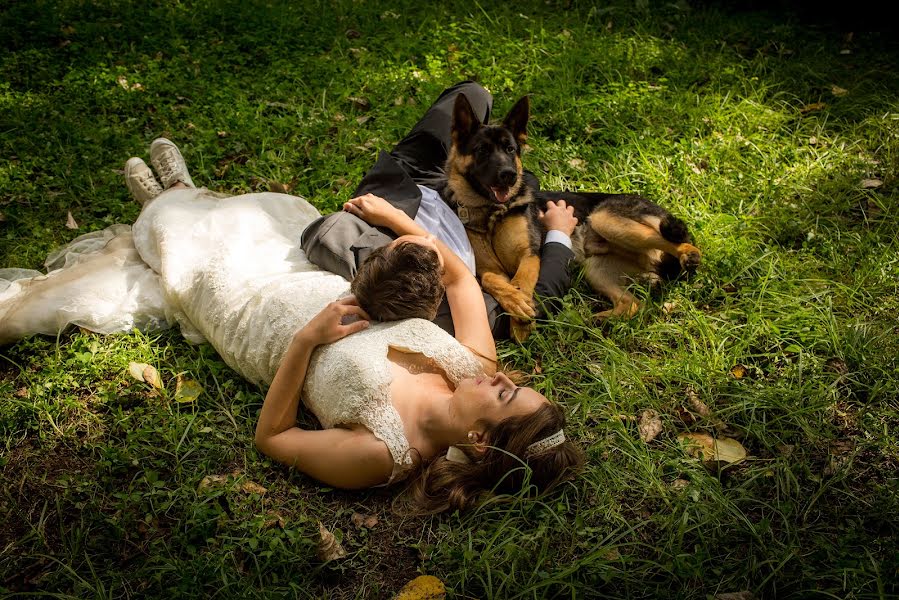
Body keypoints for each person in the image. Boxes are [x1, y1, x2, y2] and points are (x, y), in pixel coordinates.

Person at [0, 138, 583, 513]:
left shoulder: (383, 456)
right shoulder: (472, 367)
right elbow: (460, 282)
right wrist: (403, 225)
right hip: (314, 284)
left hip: (260, 328)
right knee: (253, 223)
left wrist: (308, 340)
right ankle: (181, 193)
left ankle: (165, 201)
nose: (500, 375)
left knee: (188, 252)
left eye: (504, 392)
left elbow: (273, 439)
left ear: (480, 440)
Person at [301, 81, 580, 338]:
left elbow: (324, 232)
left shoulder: (340, 236)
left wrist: (395, 218)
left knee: (474, 93)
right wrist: (558, 234)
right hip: (451, 202)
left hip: (406, 183)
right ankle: (489, 157)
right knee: (518, 175)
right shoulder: (475, 310)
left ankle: (476, 148)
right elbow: (543, 295)